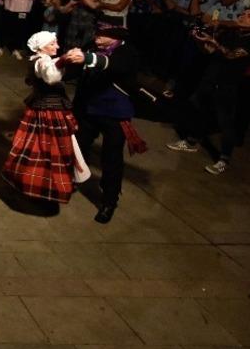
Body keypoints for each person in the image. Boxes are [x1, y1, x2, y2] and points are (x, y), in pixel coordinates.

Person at [67, 24, 148, 223]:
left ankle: (109, 201)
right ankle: (72, 181)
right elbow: (76, 72)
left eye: (102, 34)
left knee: (111, 159)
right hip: (88, 111)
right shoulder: (92, 46)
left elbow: (111, 65)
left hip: (114, 114)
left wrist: (86, 58)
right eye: (97, 33)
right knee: (77, 148)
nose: (96, 37)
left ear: (115, 37)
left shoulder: (127, 52)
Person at [1, 31, 89, 206]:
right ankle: (45, 186)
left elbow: (53, 66)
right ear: (41, 47)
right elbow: (50, 75)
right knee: (49, 149)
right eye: (52, 44)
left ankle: (52, 183)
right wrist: (64, 59)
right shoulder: (41, 61)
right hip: (48, 112)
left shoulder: (43, 59)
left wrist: (66, 59)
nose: (56, 46)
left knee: (55, 147)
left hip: (50, 109)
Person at [166, 12, 250, 175]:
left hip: (227, 84)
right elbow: (210, 51)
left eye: (248, 15)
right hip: (210, 79)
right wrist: (199, 40)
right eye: (243, 13)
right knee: (197, 109)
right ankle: (191, 142)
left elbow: (231, 55)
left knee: (225, 122)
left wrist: (214, 42)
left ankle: (223, 159)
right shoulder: (231, 33)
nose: (242, 16)